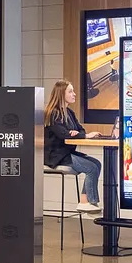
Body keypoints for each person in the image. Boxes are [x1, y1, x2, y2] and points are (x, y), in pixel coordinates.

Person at [43, 80, 102, 214]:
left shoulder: (69, 112)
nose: (74, 94)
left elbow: (81, 130)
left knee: (97, 163)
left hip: (66, 152)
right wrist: (77, 135)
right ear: (61, 94)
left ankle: (84, 201)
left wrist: (76, 133)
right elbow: (63, 134)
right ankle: (88, 202)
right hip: (56, 156)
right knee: (91, 168)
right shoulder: (53, 113)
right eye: (70, 91)